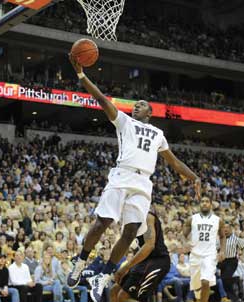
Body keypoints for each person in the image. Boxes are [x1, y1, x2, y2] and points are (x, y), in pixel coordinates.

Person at [67, 54, 201, 302]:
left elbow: (173, 161)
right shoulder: (125, 122)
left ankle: (105, 274)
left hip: (143, 183)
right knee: (103, 222)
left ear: (150, 112)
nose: (136, 106)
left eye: (141, 104)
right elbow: (100, 99)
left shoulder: (158, 133)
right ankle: (81, 260)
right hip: (123, 174)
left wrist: (193, 177)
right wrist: (82, 75)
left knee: (129, 234)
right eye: (135, 104)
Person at [110, 211, 170, 302]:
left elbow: (149, 246)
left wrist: (126, 267)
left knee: (123, 297)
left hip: (157, 261)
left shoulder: (147, 217)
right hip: (144, 262)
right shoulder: (131, 220)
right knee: (114, 291)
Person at [183, 196, 226, 302]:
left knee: (206, 282)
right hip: (195, 255)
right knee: (197, 289)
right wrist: (185, 243)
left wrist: (222, 251)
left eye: (207, 201)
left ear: (210, 204)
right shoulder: (192, 219)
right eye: (202, 201)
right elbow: (183, 235)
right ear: (199, 204)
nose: (204, 203)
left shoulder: (218, 220)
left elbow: (222, 236)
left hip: (210, 255)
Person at [218, 222, 244, 302]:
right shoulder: (220, 239)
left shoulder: (236, 239)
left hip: (231, 261)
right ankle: (229, 297)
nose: (225, 229)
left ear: (231, 229)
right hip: (221, 262)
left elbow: (242, 247)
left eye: (227, 227)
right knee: (222, 280)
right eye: (224, 228)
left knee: (224, 279)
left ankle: (233, 298)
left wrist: (241, 255)